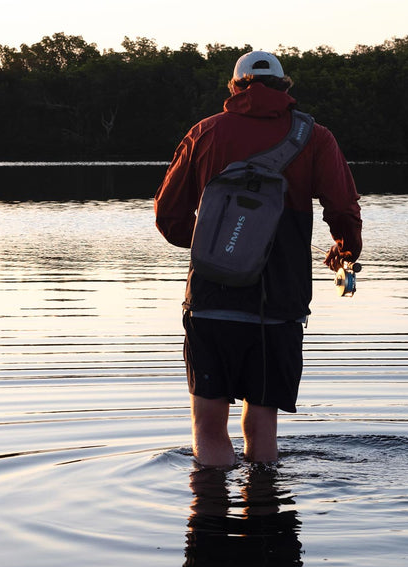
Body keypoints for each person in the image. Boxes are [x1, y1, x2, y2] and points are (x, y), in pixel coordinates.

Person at [154, 50, 362, 467]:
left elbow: (169, 217)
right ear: (285, 87)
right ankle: (267, 514)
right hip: (280, 305)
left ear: (235, 87)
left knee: (209, 426)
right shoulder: (316, 137)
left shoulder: (204, 132)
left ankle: (209, 517)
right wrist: (346, 251)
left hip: (212, 301)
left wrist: (217, 247)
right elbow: (343, 209)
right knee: (262, 424)